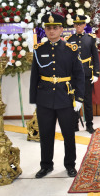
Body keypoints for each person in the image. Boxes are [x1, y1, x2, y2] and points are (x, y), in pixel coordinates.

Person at [29, 13, 85, 178]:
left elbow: (79, 75)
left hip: (66, 98)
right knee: (46, 134)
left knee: (68, 134)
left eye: (55, 28)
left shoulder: (70, 49)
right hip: (44, 99)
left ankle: (70, 165)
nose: (51, 31)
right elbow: (34, 76)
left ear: (61, 29)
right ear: (44, 30)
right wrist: (33, 99)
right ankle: (46, 165)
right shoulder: (39, 50)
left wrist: (79, 98)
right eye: (48, 28)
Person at [66, 15, 100, 134]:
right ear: (74, 25)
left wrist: (96, 73)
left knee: (87, 100)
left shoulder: (90, 39)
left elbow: (95, 57)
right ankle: (75, 124)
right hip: (74, 75)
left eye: (80, 24)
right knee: (74, 100)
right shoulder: (69, 39)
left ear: (85, 25)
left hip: (86, 74)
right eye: (76, 24)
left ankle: (89, 124)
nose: (78, 26)